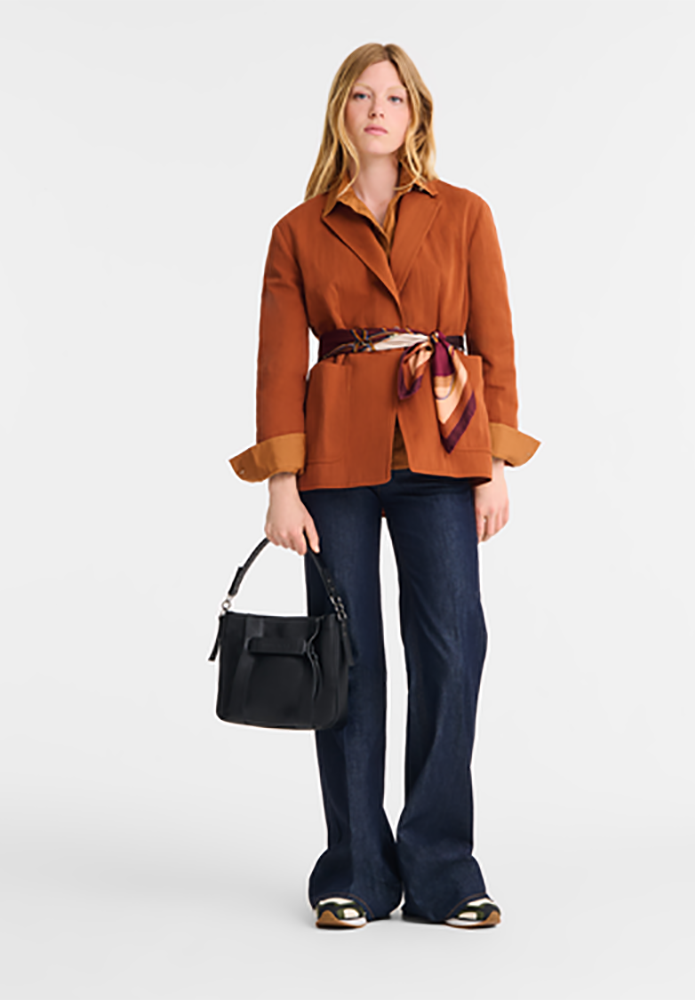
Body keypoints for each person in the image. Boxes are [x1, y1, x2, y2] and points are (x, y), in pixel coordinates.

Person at [230, 42, 539, 929]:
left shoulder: (466, 214)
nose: (378, 110)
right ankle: (356, 869)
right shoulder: (298, 230)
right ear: (342, 110)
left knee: (453, 649)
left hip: (443, 450)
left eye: (394, 98)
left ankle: (442, 869)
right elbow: (278, 363)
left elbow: (494, 341)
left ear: (416, 114)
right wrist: (281, 484)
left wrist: (495, 466)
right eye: (363, 96)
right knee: (347, 655)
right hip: (335, 462)